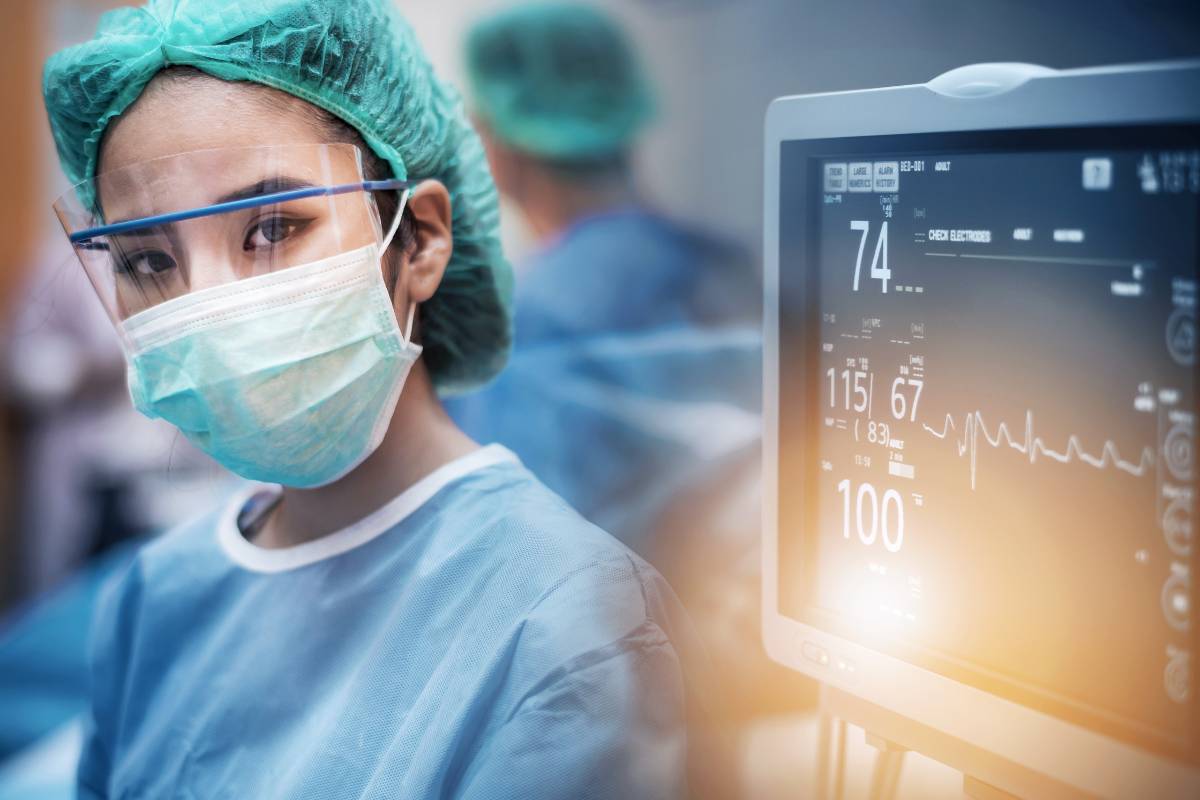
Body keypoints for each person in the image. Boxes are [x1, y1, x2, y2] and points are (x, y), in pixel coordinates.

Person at [40, 1, 718, 796]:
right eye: (146, 259)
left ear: (421, 239)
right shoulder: (156, 600)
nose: (208, 306)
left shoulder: (568, 628)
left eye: (272, 228)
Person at [446, 3, 781, 724]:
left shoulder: (523, 319)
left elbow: (506, 575)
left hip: (622, 708)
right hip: (760, 686)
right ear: (624, 110)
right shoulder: (733, 270)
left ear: (495, 138)